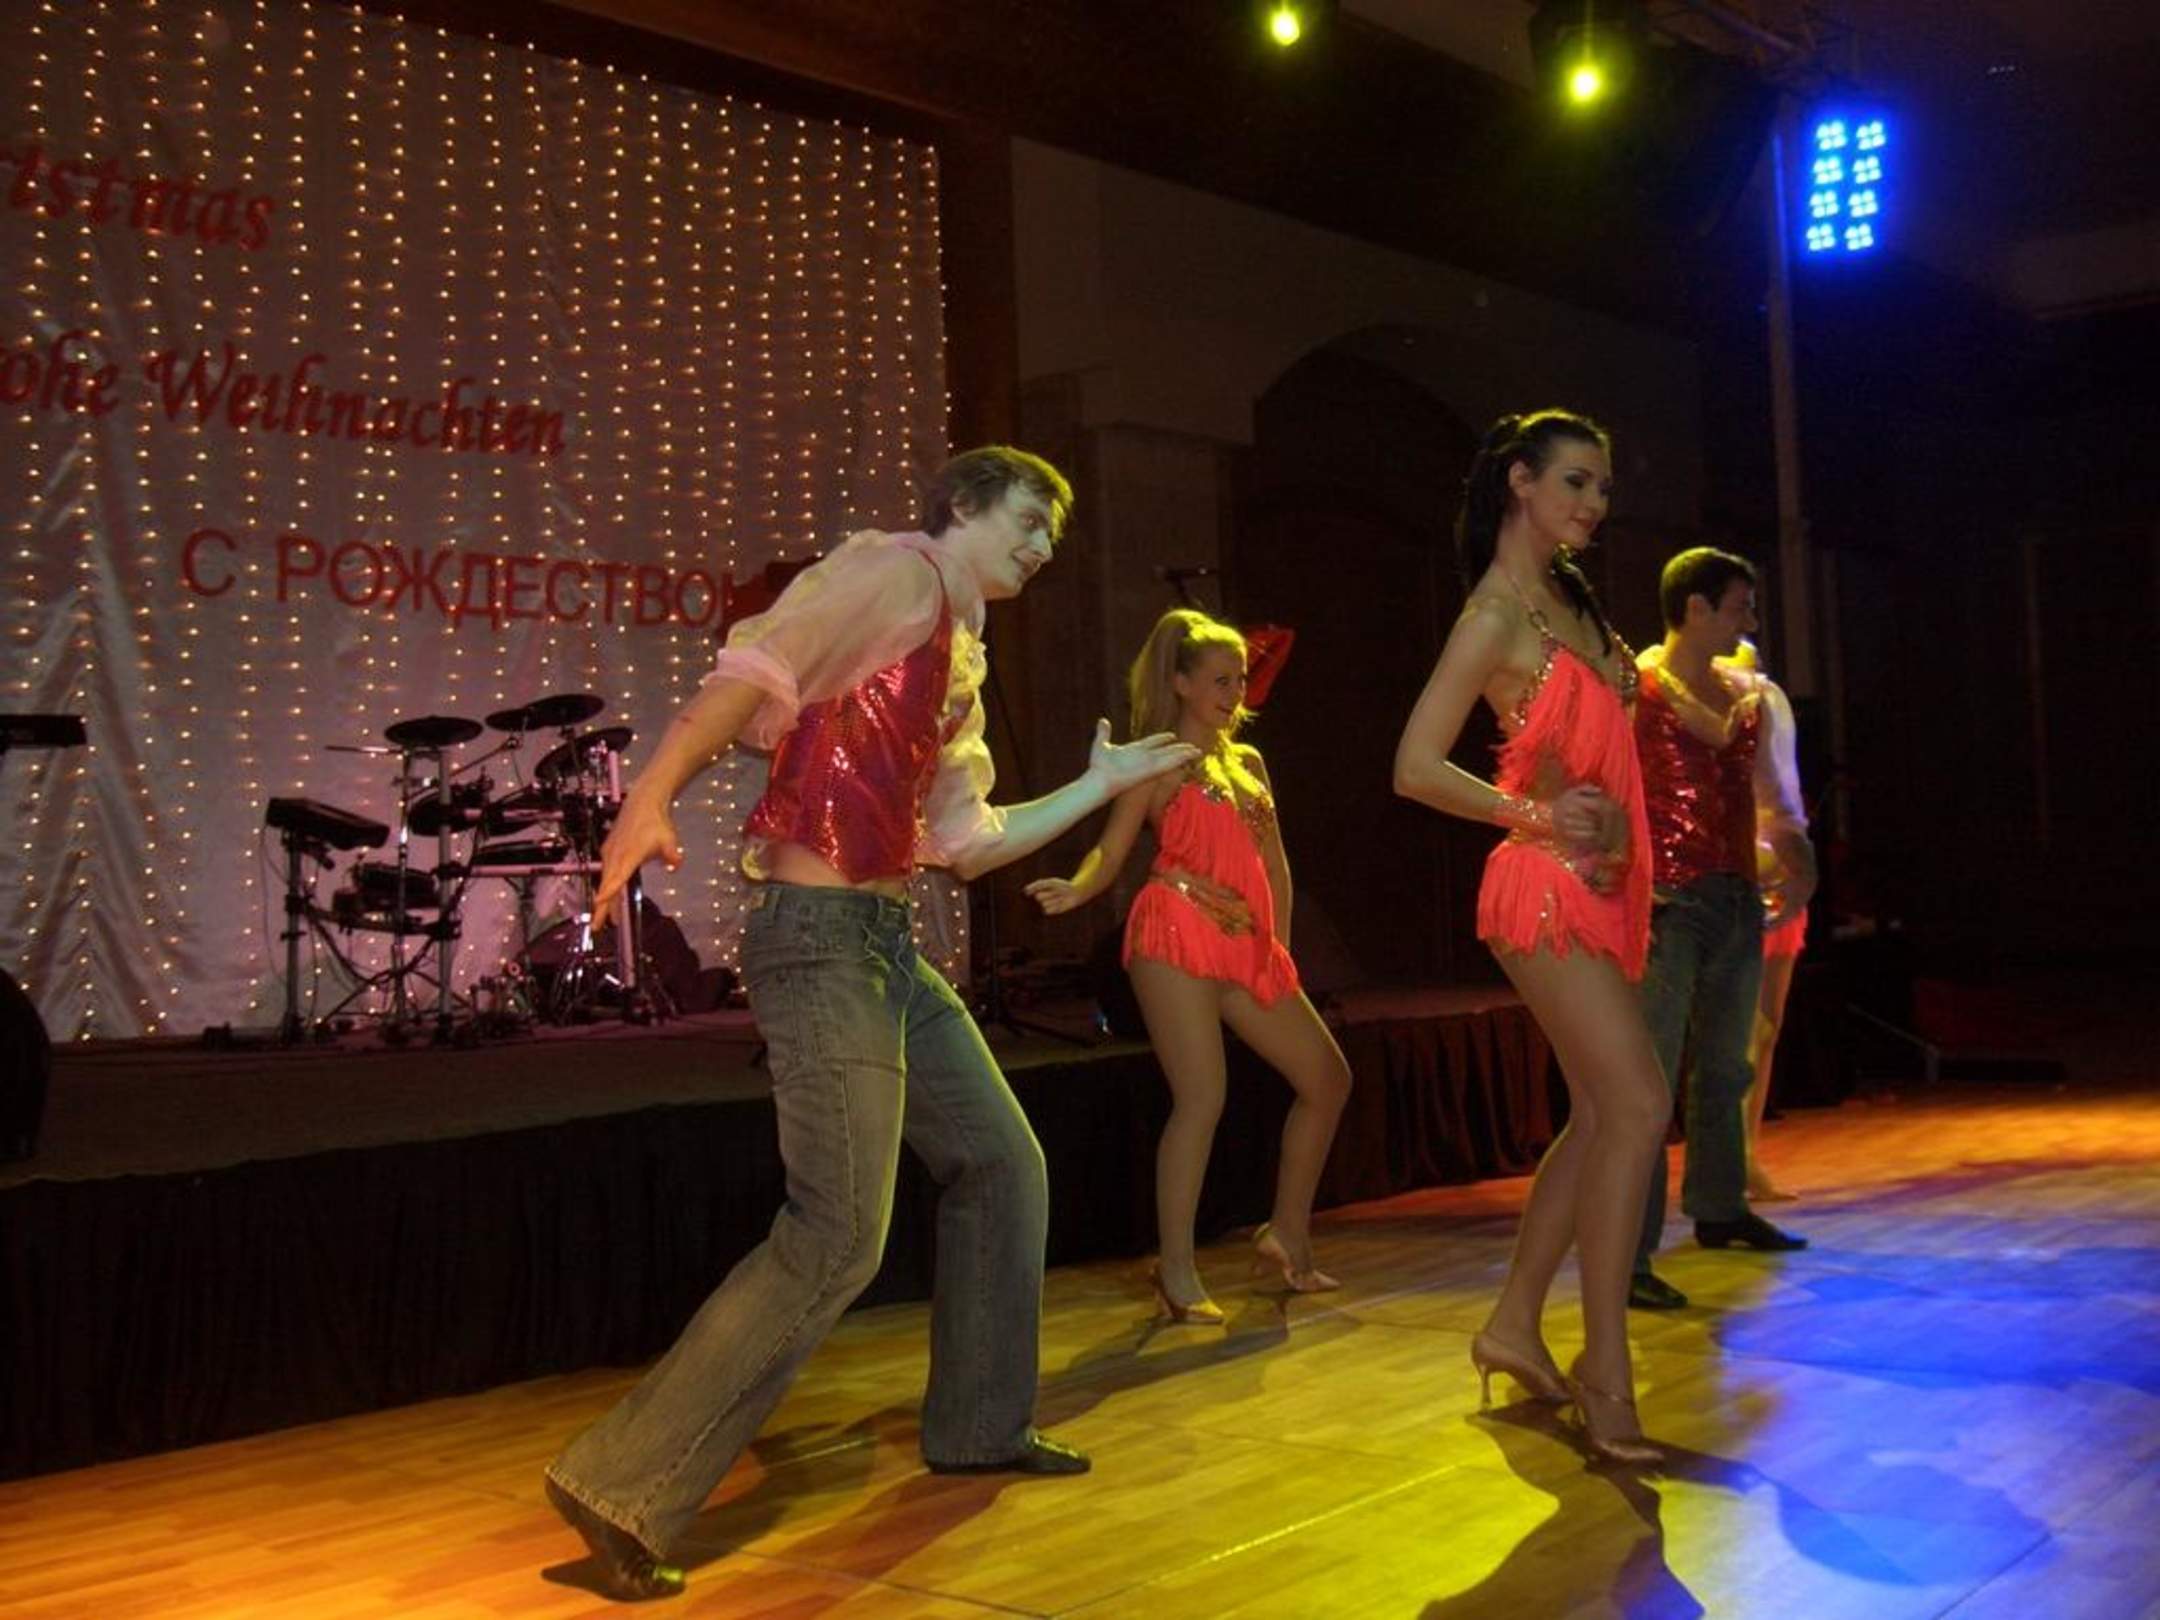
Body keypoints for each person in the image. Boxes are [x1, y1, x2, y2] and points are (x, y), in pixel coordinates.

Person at [542, 447, 1198, 1602]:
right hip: (818, 938)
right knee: (839, 1232)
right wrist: (650, 793)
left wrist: (1101, 785)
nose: (1042, 548)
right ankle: (620, 1483)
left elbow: (970, 841)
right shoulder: (897, 576)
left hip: (883, 945)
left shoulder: (954, 650)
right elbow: (757, 669)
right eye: (1028, 520)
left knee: (1001, 1163)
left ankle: (981, 1425)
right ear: (963, 508)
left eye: (1054, 535)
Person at [1393, 409, 1664, 1464]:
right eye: (1576, 482)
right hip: (1541, 886)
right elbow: (1415, 768)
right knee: (1635, 1106)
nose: (1595, 503)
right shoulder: (1495, 616)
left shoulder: (1572, 599)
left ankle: (1513, 1326)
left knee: (1600, 1115)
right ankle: (1607, 1368)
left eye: (1603, 487)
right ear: (1520, 482)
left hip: (1604, 886)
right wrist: (1542, 815)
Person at [1026, 609, 1352, 1322]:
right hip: (1174, 929)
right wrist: (1078, 887)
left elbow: (1275, 864)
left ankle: (1286, 1234)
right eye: (1219, 681)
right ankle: (1175, 1270)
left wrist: (1277, 947)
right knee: (1203, 1095)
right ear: (1180, 684)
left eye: (1239, 680)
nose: (1234, 693)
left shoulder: (1249, 763)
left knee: (1327, 1079)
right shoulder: (1158, 762)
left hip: (1244, 941)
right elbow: (1111, 850)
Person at [1627, 550, 1815, 1314]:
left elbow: (1775, 797)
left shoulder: (1746, 698)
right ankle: (1628, 1251)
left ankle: (1718, 1204)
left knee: (1726, 1065)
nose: (1751, 621)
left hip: (1735, 898)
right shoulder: (1635, 687)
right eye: (1740, 606)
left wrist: (1798, 863)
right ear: (1696, 609)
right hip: (1665, 905)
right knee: (1647, 1081)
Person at [1727, 639, 1811, 1203]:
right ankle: (1729, 1160)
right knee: (1740, 1033)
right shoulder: (1693, 701)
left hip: (1774, 870)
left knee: (1766, 1028)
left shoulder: (1768, 701)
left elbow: (1783, 793)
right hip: (1735, 876)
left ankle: (1747, 1154)